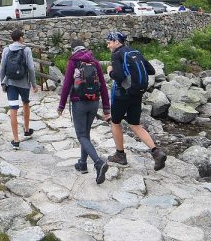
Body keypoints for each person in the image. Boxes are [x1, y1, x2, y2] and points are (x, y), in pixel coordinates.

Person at [105, 31, 167, 171]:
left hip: (121, 95)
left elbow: (119, 77)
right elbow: (151, 70)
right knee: (135, 125)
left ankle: (120, 155)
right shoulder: (135, 52)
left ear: (116, 42)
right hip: (137, 93)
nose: (108, 46)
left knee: (115, 122)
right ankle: (156, 152)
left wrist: (109, 71)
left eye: (109, 43)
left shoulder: (116, 54)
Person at [57, 39, 111, 184]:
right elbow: (103, 86)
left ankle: (98, 163)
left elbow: (67, 84)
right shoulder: (94, 61)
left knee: (81, 135)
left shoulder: (73, 61)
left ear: (72, 49)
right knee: (85, 134)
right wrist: (106, 107)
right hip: (94, 102)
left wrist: (61, 106)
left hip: (78, 102)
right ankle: (82, 164)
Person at [0, 29, 38, 149]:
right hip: (24, 84)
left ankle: (16, 140)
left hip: (11, 84)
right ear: (20, 38)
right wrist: (34, 84)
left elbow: (2, 68)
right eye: (23, 36)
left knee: (13, 109)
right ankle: (26, 130)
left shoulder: (6, 49)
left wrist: (3, 83)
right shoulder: (26, 50)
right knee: (26, 104)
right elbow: (31, 68)